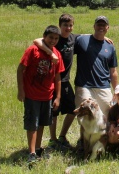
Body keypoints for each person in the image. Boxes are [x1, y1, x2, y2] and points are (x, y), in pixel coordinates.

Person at [17, 25, 65, 164]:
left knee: (43, 123)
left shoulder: (56, 54)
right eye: (51, 38)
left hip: (47, 95)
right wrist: (21, 90)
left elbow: (57, 76)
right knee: (32, 123)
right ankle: (31, 152)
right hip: (32, 94)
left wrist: (58, 96)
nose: (53, 41)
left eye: (56, 38)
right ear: (44, 37)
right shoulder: (33, 50)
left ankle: (38, 148)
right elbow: (20, 70)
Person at [32, 14, 78, 150]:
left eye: (70, 25)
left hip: (65, 80)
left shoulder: (73, 38)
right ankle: (52, 139)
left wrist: (104, 37)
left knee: (73, 109)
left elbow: (90, 36)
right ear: (60, 26)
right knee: (54, 111)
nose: (68, 28)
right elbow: (36, 40)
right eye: (65, 25)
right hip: (51, 81)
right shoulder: (54, 38)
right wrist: (50, 53)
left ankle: (62, 136)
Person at [74, 15, 118, 117]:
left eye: (104, 25)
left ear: (108, 27)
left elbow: (113, 71)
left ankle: (106, 133)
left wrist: (116, 90)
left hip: (103, 86)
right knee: (86, 116)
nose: (101, 27)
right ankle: (86, 133)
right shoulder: (82, 40)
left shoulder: (110, 47)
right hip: (84, 86)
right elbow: (66, 37)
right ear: (94, 26)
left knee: (108, 115)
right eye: (99, 24)